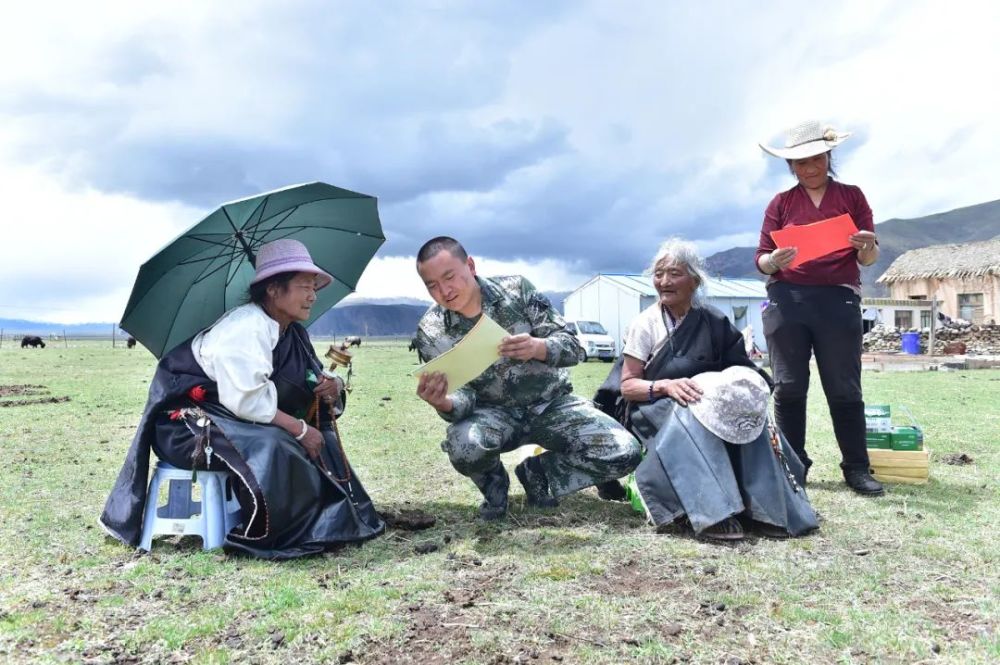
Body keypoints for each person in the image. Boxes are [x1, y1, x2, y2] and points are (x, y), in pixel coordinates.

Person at [101, 239, 384, 558]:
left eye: (314, 286)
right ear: (274, 290)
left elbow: (310, 378)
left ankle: (331, 519)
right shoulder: (245, 327)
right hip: (186, 426)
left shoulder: (292, 332)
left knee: (322, 438)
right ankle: (273, 531)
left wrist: (331, 386)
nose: (313, 295)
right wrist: (300, 430)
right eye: (304, 286)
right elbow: (247, 402)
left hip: (238, 420)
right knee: (276, 446)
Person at [601, 238, 817, 541]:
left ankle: (768, 508)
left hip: (707, 400)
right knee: (690, 414)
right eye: (659, 274)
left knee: (748, 412)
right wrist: (665, 385)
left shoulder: (713, 320)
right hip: (653, 406)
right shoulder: (645, 324)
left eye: (674, 273)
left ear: (695, 281)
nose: (664, 281)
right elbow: (627, 386)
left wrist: (751, 388)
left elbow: (741, 367)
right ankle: (712, 511)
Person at [413, 236, 642, 521]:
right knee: (463, 444)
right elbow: (464, 398)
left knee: (625, 451)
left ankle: (538, 473)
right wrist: (444, 403)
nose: (444, 291)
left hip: (552, 404)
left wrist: (539, 347)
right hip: (492, 415)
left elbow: (572, 346)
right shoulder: (431, 332)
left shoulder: (517, 291)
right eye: (431, 285)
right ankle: (495, 491)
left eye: (449, 277)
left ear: (470, 266)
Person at [756, 120, 883, 495]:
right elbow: (760, 258)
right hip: (787, 299)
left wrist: (866, 244)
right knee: (790, 388)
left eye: (816, 160)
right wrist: (773, 261)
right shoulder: (780, 203)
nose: (809, 169)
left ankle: (857, 468)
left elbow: (870, 259)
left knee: (844, 388)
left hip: (838, 299)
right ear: (790, 167)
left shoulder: (852, 197)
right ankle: (793, 467)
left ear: (829, 157)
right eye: (800, 163)